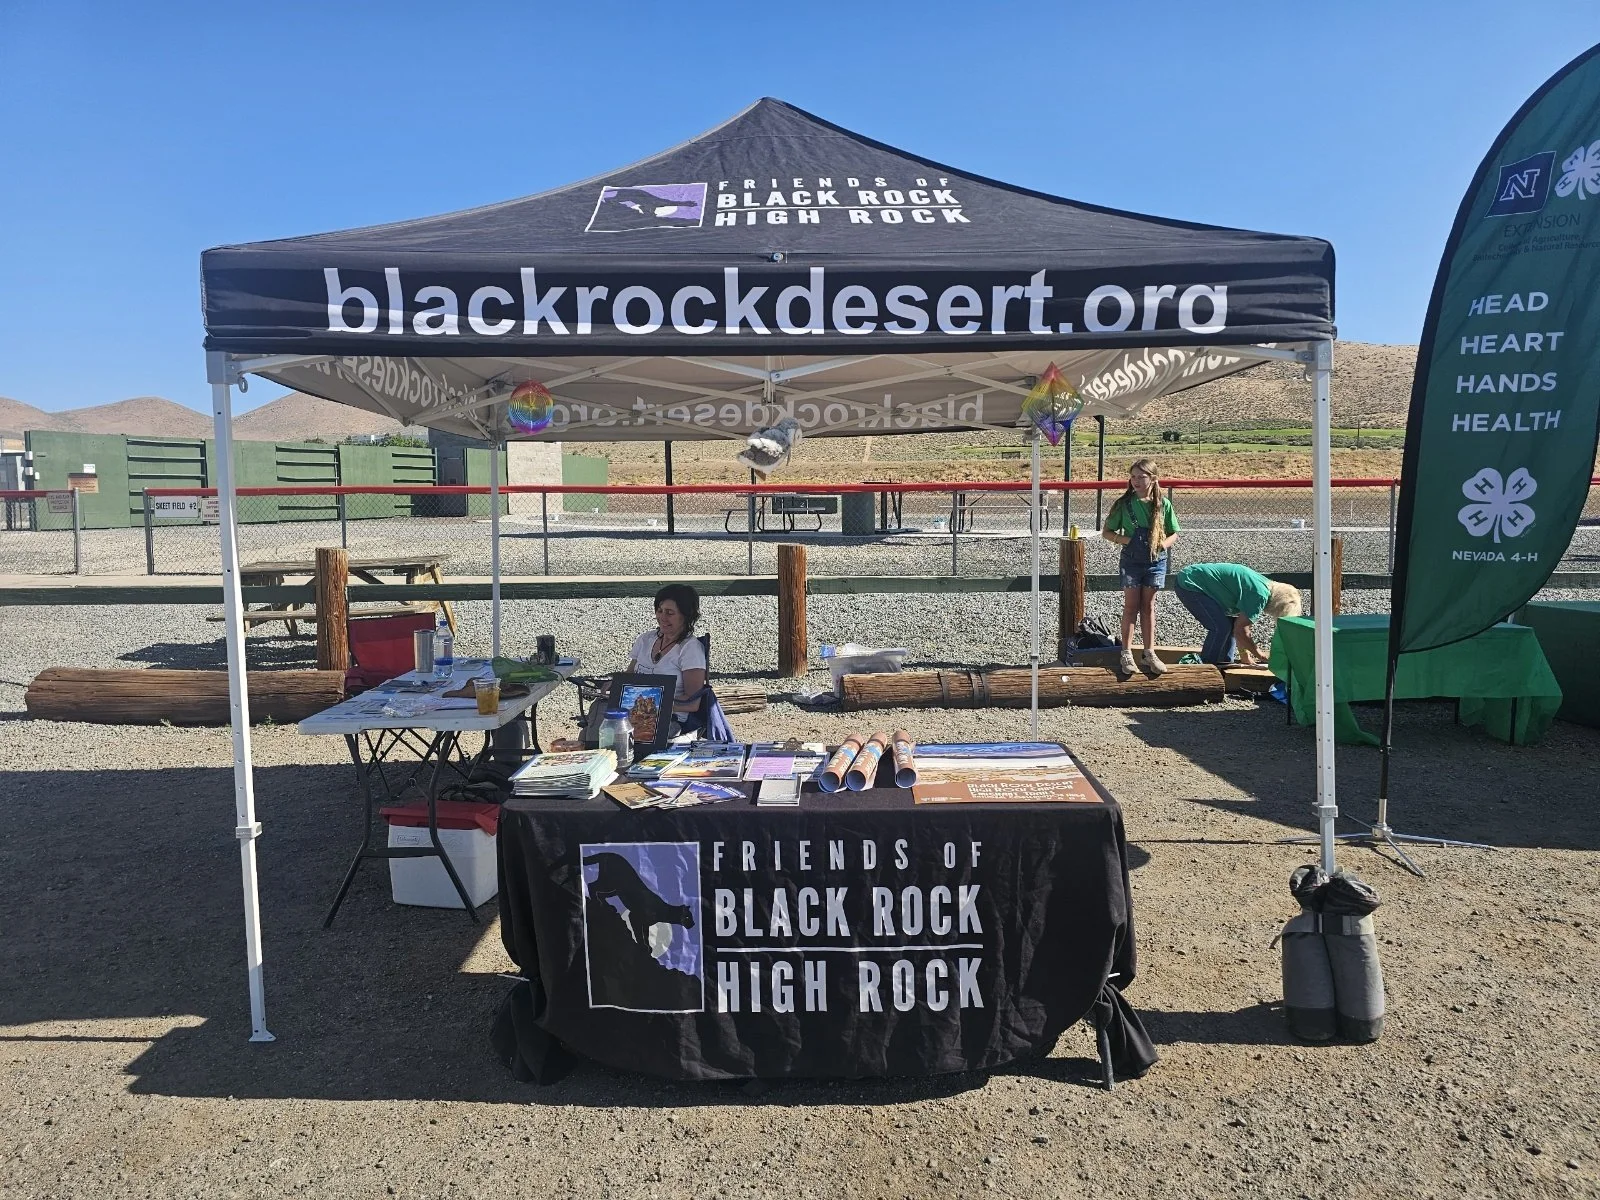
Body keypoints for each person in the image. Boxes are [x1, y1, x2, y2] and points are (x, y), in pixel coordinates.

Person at [1100, 458, 1180, 677]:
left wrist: (1162, 545)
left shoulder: (1163, 504)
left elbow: (1174, 533)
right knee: (1131, 606)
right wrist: (1127, 541)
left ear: (1152, 479)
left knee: (1149, 606)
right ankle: (1126, 653)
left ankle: (1149, 652)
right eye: (1133, 476)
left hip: (1156, 561)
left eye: (1141, 477)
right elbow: (1107, 532)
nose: (1136, 481)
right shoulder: (1124, 504)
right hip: (1132, 561)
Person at [1172, 562, 1302, 666]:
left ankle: (1225, 665)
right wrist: (1260, 655)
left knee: (1228, 627)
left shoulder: (1264, 587)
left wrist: (1245, 656)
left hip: (1196, 579)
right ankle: (1206, 668)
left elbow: (1237, 628)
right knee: (1220, 628)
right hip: (1190, 582)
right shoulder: (1259, 595)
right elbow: (1242, 630)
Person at [626, 583, 709, 727]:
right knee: (600, 715)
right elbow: (628, 677)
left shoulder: (690, 649)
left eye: (670, 613)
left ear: (686, 615)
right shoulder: (645, 639)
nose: (662, 617)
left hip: (669, 718)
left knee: (615, 731)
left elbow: (693, 703)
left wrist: (652, 706)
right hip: (635, 711)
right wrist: (614, 685)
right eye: (660, 611)